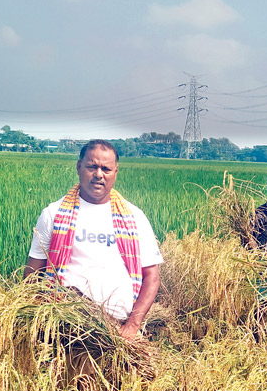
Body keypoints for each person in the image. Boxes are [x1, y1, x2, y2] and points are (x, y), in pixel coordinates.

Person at [24, 139, 163, 340]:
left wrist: (133, 325)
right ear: (79, 167)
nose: (98, 174)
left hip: (119, 328)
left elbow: (152, 277)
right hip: (65, 324)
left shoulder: (135, 217)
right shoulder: (53, 214)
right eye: (92, 166)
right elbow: (32, 274)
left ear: (116, 172)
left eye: (106, 169)